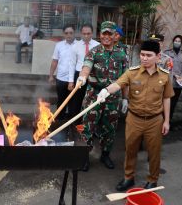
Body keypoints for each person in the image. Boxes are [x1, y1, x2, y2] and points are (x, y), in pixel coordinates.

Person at [97, 40, 174, 191]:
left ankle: (152, 180)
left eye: (148, 55)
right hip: (134, 119)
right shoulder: (132, 73)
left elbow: (166, 98)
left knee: (154, 152)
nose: (144, 58)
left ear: (158, 57)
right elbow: (118, 84)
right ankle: (128, 178)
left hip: (155, 120)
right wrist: (106, 91)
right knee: (130, 149)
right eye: (142, 54)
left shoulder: (164, 76)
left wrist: (167, 121)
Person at [76, 21, 128, 169]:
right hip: (94, 95)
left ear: (114, 35)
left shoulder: (122, 54)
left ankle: (105, 155)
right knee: (87, 127)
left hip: (113, 97)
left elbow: (125, 78)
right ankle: (84, 157)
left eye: (109, 34)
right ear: (100, 34)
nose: (106, 36)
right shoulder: (94, 52)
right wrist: (82, 77)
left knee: (110, 128)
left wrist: (125, 99)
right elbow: (86, 66)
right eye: (103, 33)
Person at [68, 24, 100, 125]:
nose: (86, 36)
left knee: (91, 99)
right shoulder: (75, 46)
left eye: (88, 33)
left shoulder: (98, 46)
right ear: (81, 34)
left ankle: (89, 123)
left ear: (92, 34)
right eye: (84, 33)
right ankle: (75, 123)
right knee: (76, 100)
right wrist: (70, 81)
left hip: (93, 75)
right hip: (79, 75)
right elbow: (71, 64)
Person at [48, 24, 77, 121]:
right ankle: (60, 120)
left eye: (71, 33)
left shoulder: (79, 45)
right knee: (61, 100)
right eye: (66, 33)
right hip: (61, 78)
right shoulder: (59, 45)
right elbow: (54, 61)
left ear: (74, 33)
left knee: (73, 102)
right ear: (64, 34)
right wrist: (51, 75)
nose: (69, 35)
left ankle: (71, 122)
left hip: (74, 79)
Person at [163, 35, 182, 124]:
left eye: (179, 41)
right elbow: (165, 67)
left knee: (173, 103)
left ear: (181, 43)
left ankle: (168, 121)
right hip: (168, 81)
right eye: (175, 41)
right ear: (173, 41)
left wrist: (181, 76)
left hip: (178, 83)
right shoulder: (167, 53)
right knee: (165, 102)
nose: (177, 42)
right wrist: (174, 75)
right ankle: (162, 121)